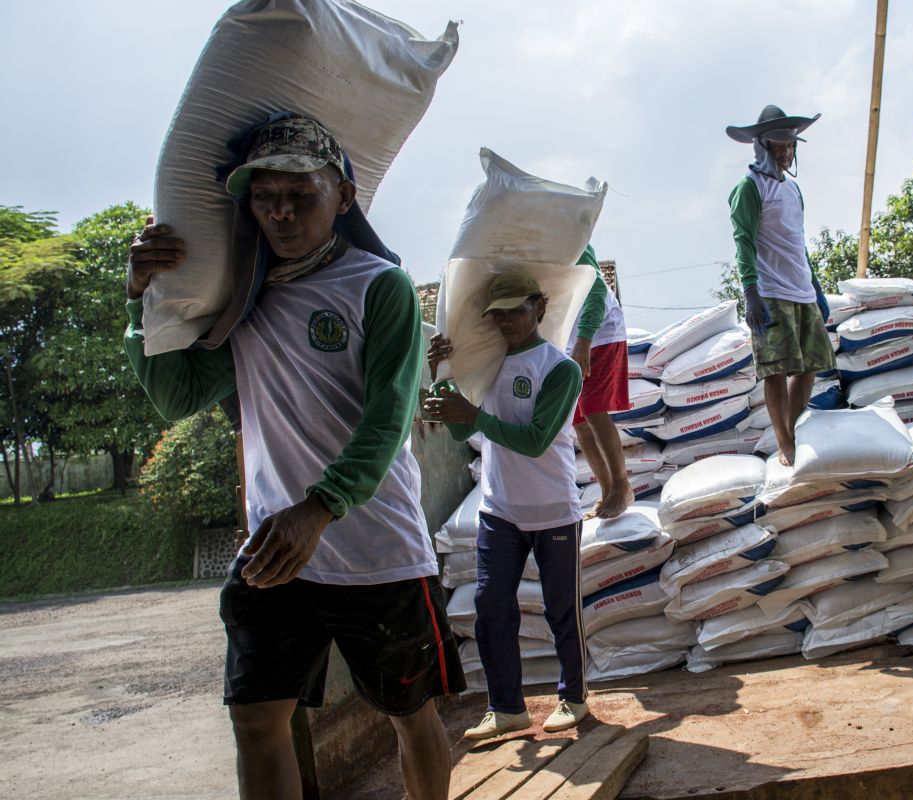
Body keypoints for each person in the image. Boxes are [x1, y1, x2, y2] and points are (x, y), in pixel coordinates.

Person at [124, 115, 464, 800]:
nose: (280, 211)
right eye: (263, 196)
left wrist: (319, 508)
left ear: (343, 195)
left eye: (300, 194)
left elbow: (390, 419)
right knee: (256, 718)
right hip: (276, 553)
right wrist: (140, 303)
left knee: (410, 715)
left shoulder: (378, 287)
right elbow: (177, 393)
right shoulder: (242, 298)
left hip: (376, 554)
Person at [423, 270, 589, 740]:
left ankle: (573, 699)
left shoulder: (560, 369)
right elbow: (459, 430)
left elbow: (536, 440)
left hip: (553, 510)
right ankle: (507, 708)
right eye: (498, 313)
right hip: (500, 510)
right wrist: (444, 379)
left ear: (539, 307)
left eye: (516, 310)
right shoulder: (485, 363)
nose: (507, 321)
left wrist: (473, 415)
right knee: (490, 605)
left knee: (561, 609)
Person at [726, 104, 836, 466]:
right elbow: (743, 240)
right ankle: (786, 443)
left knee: (810, 366)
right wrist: (751, 293)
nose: (786, 152)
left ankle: (791, 431)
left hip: (801, 290)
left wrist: (817, 289)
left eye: (791, 146)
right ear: (761, 145)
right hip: (771, 292)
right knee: (775, 370)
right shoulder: (750, 188)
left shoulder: (793, 190)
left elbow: (797, 242)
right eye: (779, 146)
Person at [569, 244, 634, 519]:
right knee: (579, 421)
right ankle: (607, 490)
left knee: (594, 409)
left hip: (600, 330)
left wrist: (584, 340)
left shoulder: (572, 240)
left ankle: (622, 486)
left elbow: (595, 291)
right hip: (570, 338)